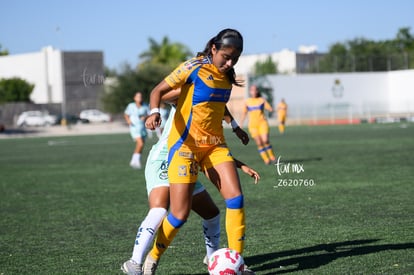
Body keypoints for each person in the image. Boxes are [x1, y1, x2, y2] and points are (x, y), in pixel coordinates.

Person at [144, 28, 256, 274]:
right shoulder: (193, 68)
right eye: (225, 56)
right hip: (185, 147)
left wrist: (235, 127)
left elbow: (216, 102)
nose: (229, 63)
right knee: (179, 214)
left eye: (234, 59)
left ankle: (237, 261)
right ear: (214, 49)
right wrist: (153, 113)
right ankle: (153, 256)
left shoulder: (226, 75)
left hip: (215, 146)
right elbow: (157, 91)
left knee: (236, 199)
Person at [122, 91, 260, 275]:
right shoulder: (191, 91)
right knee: (161, 209)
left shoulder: (211, 109)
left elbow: (210, 146)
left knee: (211, 214)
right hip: (165, 157)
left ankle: (213, 260)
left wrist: (238, 158)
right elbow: (161, 92)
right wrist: (154, 112)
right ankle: (135, 262)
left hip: (189, 161)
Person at [240, 85, 277, 165]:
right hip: (253, 126)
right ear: (250, 91)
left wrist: (274, 109)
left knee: (265, 140)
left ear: (257, 91)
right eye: (252, 90)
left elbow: (270, 108)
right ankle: (266, 159)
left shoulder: (262, 100)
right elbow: (244, 113)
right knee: (259, 143)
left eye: (255, 90)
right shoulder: (247, 101)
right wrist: (241, 124)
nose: (254, 91)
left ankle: (272, 157)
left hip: (262, 123)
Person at [124, 92, 150, 169]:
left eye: (141, 97)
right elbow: (126, 114)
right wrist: (128, 120)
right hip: (134, 127)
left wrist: (145, 117)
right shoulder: (131, 106)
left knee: (140, 145)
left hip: (142, 128)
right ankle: (136, 160)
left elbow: (149, 114)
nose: (140, 98)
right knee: (140, 143)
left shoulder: (145, 106)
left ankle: (134, 160)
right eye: (138, 97)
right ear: (134, 98)